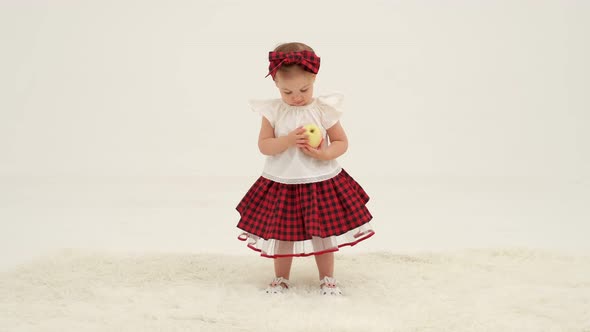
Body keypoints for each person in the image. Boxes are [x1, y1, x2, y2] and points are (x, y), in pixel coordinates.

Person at [236, 42, 375, 295]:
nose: (296, 97)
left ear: (314, 79)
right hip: (283, 182)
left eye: (304, 89)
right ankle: (281, 278)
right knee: (283, 235)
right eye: (287, 92)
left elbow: (341, 142)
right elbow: (265, 146)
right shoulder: (273, 112)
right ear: (276, 85)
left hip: (319, 180)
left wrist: (323, 153)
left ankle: (328, 278)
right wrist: (288, 140)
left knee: (324, 235)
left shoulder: (322, 110)